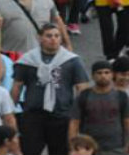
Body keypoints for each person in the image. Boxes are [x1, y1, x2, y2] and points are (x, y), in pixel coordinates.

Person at [11, 23, 89, 155]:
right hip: (33, 115)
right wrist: (10, 111)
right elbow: (17, 86)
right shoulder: (27, 60)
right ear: (40, 38)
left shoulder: (72, 60)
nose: (53, 39)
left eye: (57, 36)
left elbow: (82, 88)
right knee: (29, 151)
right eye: (49, 36)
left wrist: (79, 114)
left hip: (61, 115)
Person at [69, 61, 129, 155]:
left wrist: (126, 147)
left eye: (107, 72)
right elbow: (74, 123)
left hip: (115, 148)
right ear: (93, 76)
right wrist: (73, 147)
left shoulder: (121, 96)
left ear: (112, 75)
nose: (103, 75)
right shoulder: (84, 96)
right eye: (99, 73)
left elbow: (128, 124)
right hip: (88, 149)